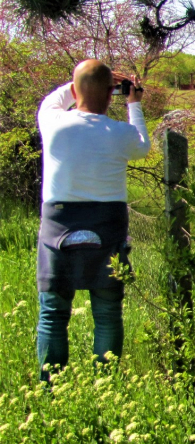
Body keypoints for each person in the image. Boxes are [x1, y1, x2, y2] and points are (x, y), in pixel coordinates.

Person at [36, 59, 150, 382]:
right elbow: (144, 145)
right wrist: (134, 104)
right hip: (107, 230)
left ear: (75, 91)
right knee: (107, 314)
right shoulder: (120, 134)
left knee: (53, 316)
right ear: (112, 94)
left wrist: (82, 84)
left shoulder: (53, 123)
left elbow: (54, 100)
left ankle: (50, 392)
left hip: (58, 229)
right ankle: (106, 388)